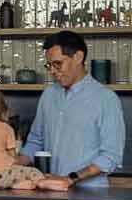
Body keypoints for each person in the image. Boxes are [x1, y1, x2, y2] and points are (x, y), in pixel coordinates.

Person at [21, 30, 125, 187]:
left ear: (78, 57)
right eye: (49, 65)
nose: (52, 71)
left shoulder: (106, 99)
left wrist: (71, 179)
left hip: (90, 196)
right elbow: (36, 141)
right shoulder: (48, 95)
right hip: (50, 190)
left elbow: (110, 156)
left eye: (58, 64)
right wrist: (12, 163)